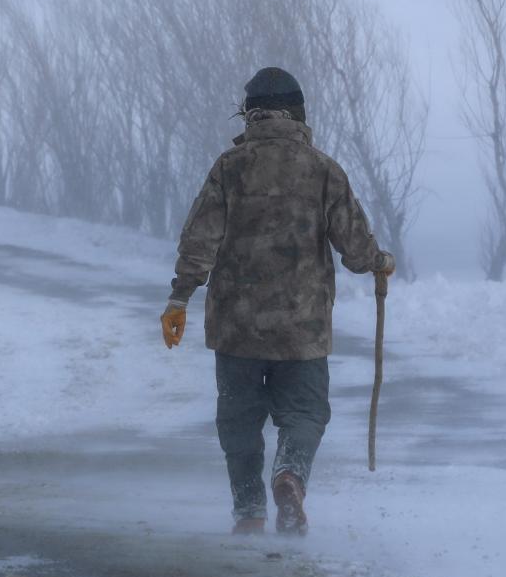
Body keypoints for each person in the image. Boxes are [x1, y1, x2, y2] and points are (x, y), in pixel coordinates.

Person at [161, 67, 395, 536]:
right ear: (299, 113)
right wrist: (379, 262)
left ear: (250, 114)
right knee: (306, 413)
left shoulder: (229, 168)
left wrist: (180, 297)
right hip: (302, 327)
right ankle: (290, 475)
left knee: (239, 421)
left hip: (235, 326)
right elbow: (354, 248)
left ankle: (248, 513)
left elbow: (199, 239)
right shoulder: (323, 169)